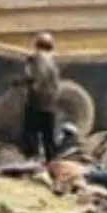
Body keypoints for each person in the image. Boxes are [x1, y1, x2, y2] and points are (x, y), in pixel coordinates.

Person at [20, 31, 61, 161]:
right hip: (50, 103)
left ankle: (33, 158)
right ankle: (51, 160)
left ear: (37, 44)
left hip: (37, 101)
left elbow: (36, 77)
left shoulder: (36, 58)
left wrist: (28, 85)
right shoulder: (52, 59)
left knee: (31, 132)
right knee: (48, 135)